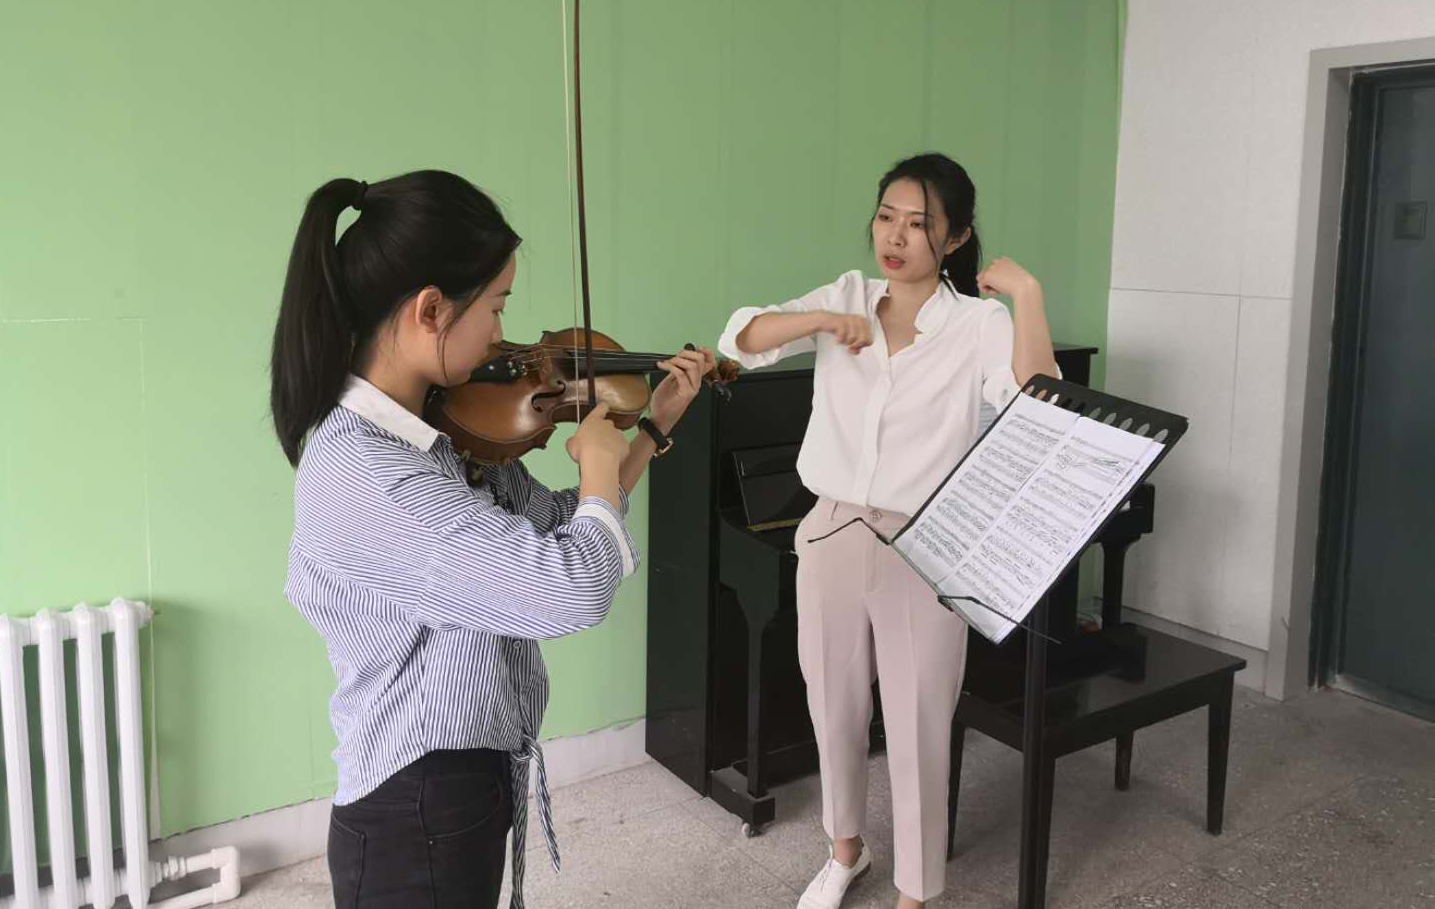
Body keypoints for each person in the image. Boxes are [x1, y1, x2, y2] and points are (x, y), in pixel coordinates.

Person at [269, 170, 715, 909]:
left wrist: (650, 430)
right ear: (431, 309)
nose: (504, 339)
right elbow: (571, 586)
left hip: (463, 780)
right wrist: (598, 465)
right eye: (497, 306)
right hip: (414, 806)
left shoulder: (442, 433)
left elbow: (560, 525)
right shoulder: (369, 473)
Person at [718, 153, 1059, 909]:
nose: (895, 237)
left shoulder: (978, 323)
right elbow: (740, 338)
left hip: (928, 542)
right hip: (832, 530)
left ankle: (917, 891)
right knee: (832, 705)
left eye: (919, 224)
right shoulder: (847, 295)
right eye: (886, 217)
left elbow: (1039, 402)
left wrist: (1028, 295)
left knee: (919, 722)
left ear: (956, 237)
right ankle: (845, 851)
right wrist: (820, 321)